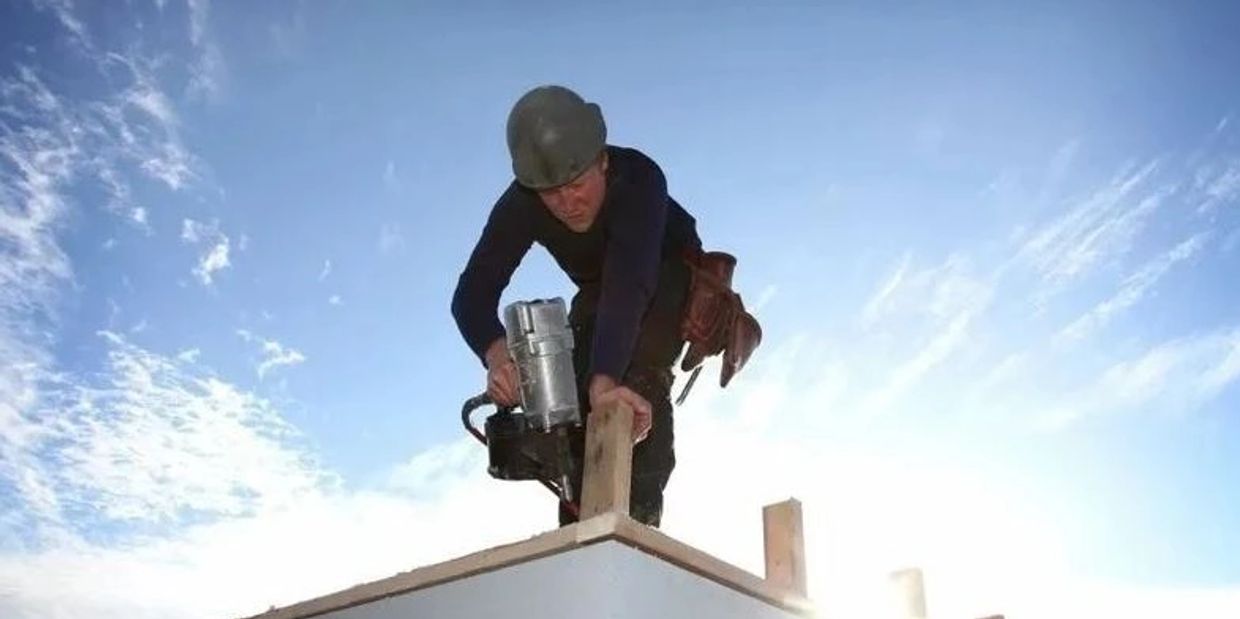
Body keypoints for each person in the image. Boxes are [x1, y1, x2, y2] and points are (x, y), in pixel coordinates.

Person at [451, 84, 702, 528]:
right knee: (576, 398)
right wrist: (497, 354)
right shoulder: (523, 201)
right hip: (601, 292)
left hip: (663, 271)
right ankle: (578, 525)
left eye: (577, 184)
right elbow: (471, 293)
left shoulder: (640, 178)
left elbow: (631, 281)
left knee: (625, 378)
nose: (568, 204)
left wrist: (606, 383)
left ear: (602, 160)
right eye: (551, 193)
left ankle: (634, 521)